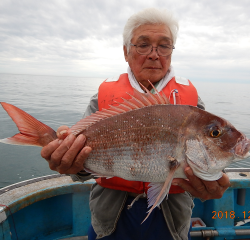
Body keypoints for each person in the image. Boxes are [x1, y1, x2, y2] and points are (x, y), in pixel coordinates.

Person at [41, 8, 230, 240]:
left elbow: (206, 152)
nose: (154, 54)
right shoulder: (101, 99)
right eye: (143, 45)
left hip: (171, 221)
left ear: (171, 52)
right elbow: (79, 171)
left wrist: (213, 179)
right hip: (110, 218)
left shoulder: (191, 106)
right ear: (126, 52)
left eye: (164, 45)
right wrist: (72, 164)